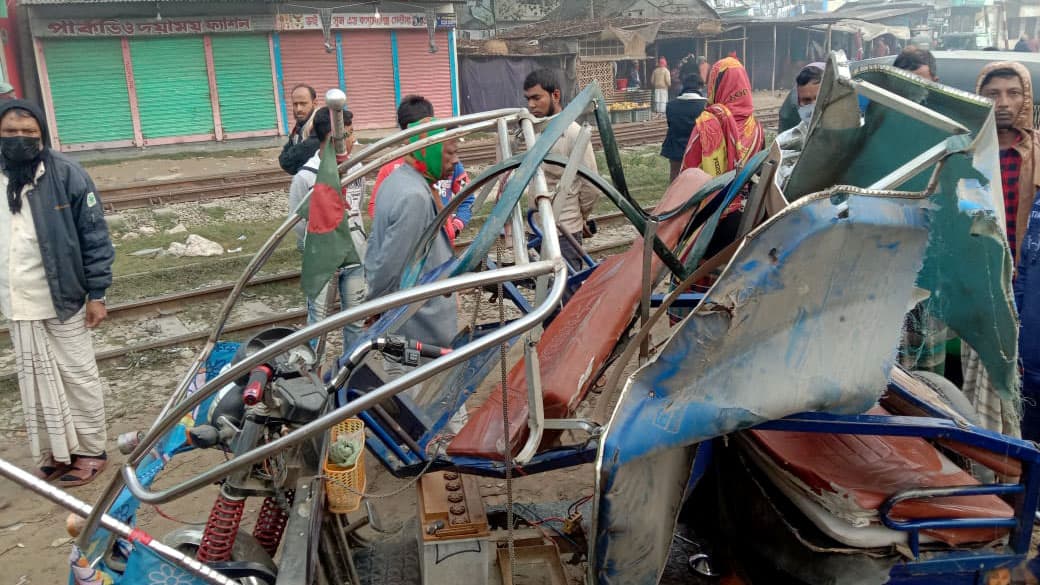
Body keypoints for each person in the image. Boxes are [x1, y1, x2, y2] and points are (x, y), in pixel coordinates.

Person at [0, 100, 114, 486]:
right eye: (11, 132)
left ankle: (92, 449)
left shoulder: (66, 174)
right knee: (35, 382)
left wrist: (97, 293)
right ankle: (58, 452)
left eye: (29, 132)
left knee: (77, 376)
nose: (19, 139)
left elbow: (95, 236)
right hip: (17, 301)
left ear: (42, 135)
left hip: (62, 297)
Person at [962, 62, 1040, 437]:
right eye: (992, 94)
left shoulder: (1037, 153)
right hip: (982, 284)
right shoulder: (967, 153)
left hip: (1028, 285)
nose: (1004, 103)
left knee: (1028, 375)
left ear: (1027, 98)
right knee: (982, 379)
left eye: (1014, 93)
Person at [365, 119, 459, 350]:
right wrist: (375, 308)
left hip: (409, 322)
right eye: (449, 153)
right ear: (430, 151)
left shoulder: (396, 181)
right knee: (412, 384)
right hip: (416, 328)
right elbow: (391, 264)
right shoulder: (414, 197)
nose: (455, 161)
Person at [288, 106, 367, 350]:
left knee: (355, 321)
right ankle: (312, 376)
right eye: (350, 133)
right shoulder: (306, 177)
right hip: (322, 262)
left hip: (355, 257)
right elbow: (298, 223)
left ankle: (350, 373)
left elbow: (357, 205)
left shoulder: (356, 168)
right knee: (317, 324)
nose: (354, 139)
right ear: (336, 139)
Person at [522, 68, 601, 271]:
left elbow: (591, 186)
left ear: (555, 95)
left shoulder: (575, 133)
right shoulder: (532, 133)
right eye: (528, 99)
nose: (531, 105)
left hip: (564, 231)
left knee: (566, 295)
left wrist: (578, 217)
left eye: (536, 98)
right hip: (536, 229)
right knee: (543, 293)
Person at [367, 95, 473, 243]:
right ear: (405, 134)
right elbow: (374, 207)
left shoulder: (449, 164)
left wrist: (455, 226)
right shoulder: (390, 168)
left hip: (443, 248)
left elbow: (467, 197)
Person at [680, 57, 764, 177]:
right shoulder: (757, 129)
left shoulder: (707, 126)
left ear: (715, 85)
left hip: (713, 195)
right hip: (747, 195)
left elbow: (689, 175)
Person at [661, 67, 707, 181]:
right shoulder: (706, 105)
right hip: (699, 150)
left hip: (676, 149)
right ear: (700, 87)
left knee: (675, 176)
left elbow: (670, 124)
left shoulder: (671, 105)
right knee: (698, 178)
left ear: (684, 86)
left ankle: (673, 197)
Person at [278, 84, 319, 175]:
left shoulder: (320, 125)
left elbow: (293, 159)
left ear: (315, 103)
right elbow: (284, 159)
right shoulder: (300, 125)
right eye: (295, 104)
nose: (298, 109)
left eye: (303, 104)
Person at [778, 62, 825, 133]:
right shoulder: (790, 110)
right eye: (806, 100)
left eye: (819, 98)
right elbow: (785, 139)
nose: (813, 105)